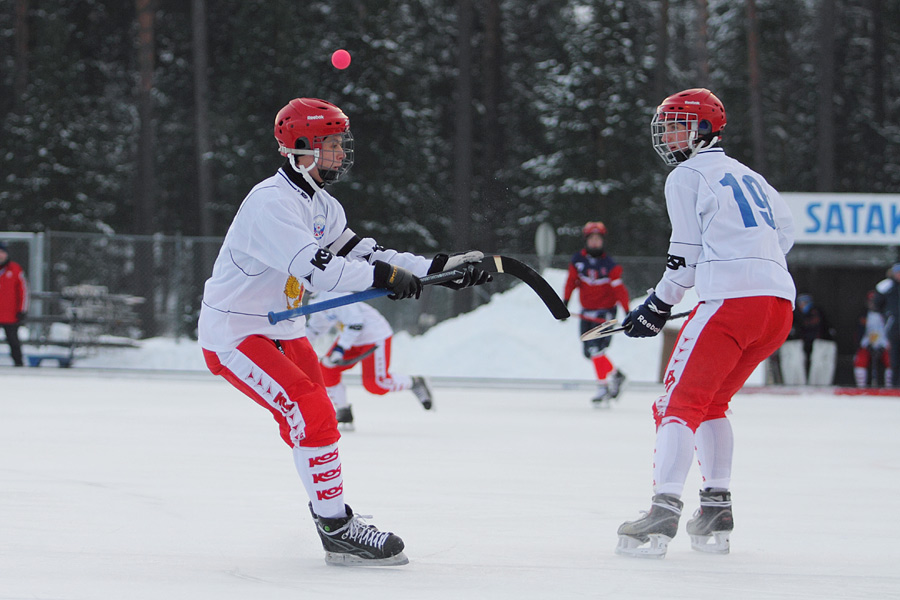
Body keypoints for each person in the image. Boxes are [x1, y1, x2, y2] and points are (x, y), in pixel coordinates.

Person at [197, 97, 491, 566]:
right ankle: (337, 527)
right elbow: (320, 272)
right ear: (300, 148)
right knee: (311, 410)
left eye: (339, 144)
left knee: (318, 417)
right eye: (331, 144)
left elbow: (365, 255)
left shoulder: (322, 205)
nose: (341, 153)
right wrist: (385, 279)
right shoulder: (270, 204)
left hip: (285, 328)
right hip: (237, 333)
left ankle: (328, 516)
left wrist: (440, 267)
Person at [615, 88, 795, 558]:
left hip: (732, 304)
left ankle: (663, 509)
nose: (669, 134)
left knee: (677, 403)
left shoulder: (687, 175)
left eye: (677, 124)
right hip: (776, 307)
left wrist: (657, 305)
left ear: (703, 130)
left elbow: (685, 256)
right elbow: (787, 232)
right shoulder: (750, 175)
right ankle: (716, 506)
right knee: (712, 403)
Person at [305, 292, 433, 430]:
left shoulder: (335, 292)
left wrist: (340, 349)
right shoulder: (316, 299)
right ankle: (344, 412)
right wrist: (296, 345)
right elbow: (316, 328)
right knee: (326, 370)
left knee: (375, 384)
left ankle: (414, 382)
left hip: (374, 336)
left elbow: (356, 323)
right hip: (353, 338)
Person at [562, 221, 630, 406]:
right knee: (589, 352)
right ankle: (616, 375)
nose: (594, 242)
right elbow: (571, 282)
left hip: (605, 314)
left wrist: (627, 310)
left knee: (596, 349)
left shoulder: (610, 265)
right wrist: (564, 303)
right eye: (591, 238)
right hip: (586, 313)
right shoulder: (578, 261)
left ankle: (603, 387)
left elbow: (619, 289)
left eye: (597, 239)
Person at [787, 293, 835, 380]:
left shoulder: (817, 312)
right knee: (796, 362)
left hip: (817, 344)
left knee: (819, 364)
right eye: (800, 302)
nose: (802, 304)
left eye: (805, 302)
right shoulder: (795, 314)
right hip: (801, 344)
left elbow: (821, 328)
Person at [853, 290, 891, 388]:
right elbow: (861, 334)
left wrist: (883, 345)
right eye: (870, 301)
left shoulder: (886, 314)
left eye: (874, 301)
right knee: (860, 360)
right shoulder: (864, 315)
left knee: (892, 360)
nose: (872, 304)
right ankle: (861, 388)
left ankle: (890, 387)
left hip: (884, 345)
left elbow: (889, 332)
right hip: (867, 345)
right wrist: (867, 344)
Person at [0, 241, 28, 367]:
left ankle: (19, 364)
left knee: (13, 341)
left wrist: (22, 309)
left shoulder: (15, 269)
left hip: (10, 313)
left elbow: (23, 291)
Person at [873, 263, 900, 388]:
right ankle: (895, 384)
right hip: (893, 325)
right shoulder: (886, 286)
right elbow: (877, 304)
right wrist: (888, 315)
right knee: (894, 356)